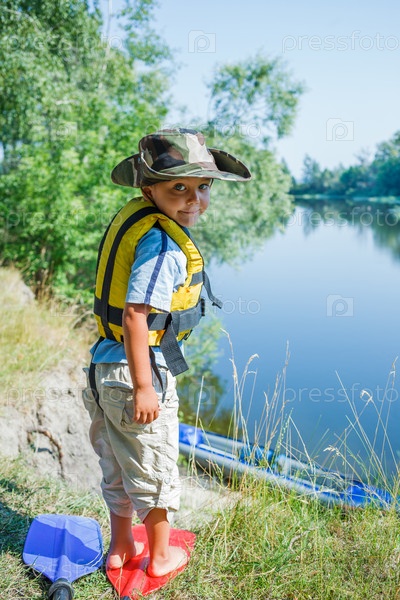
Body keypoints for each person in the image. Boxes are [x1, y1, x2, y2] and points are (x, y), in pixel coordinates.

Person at [83, 128, 251, 577]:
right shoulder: (162, 246)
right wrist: (144, 386)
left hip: (104, 365)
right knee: (154, 466)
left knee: (118, 462)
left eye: (203, 187)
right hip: (136, 373)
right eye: (179, 187)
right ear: (149, 190)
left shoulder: (138, 222)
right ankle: (159, 558)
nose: (194, 199)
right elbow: (136, 315)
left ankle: (121, 546)